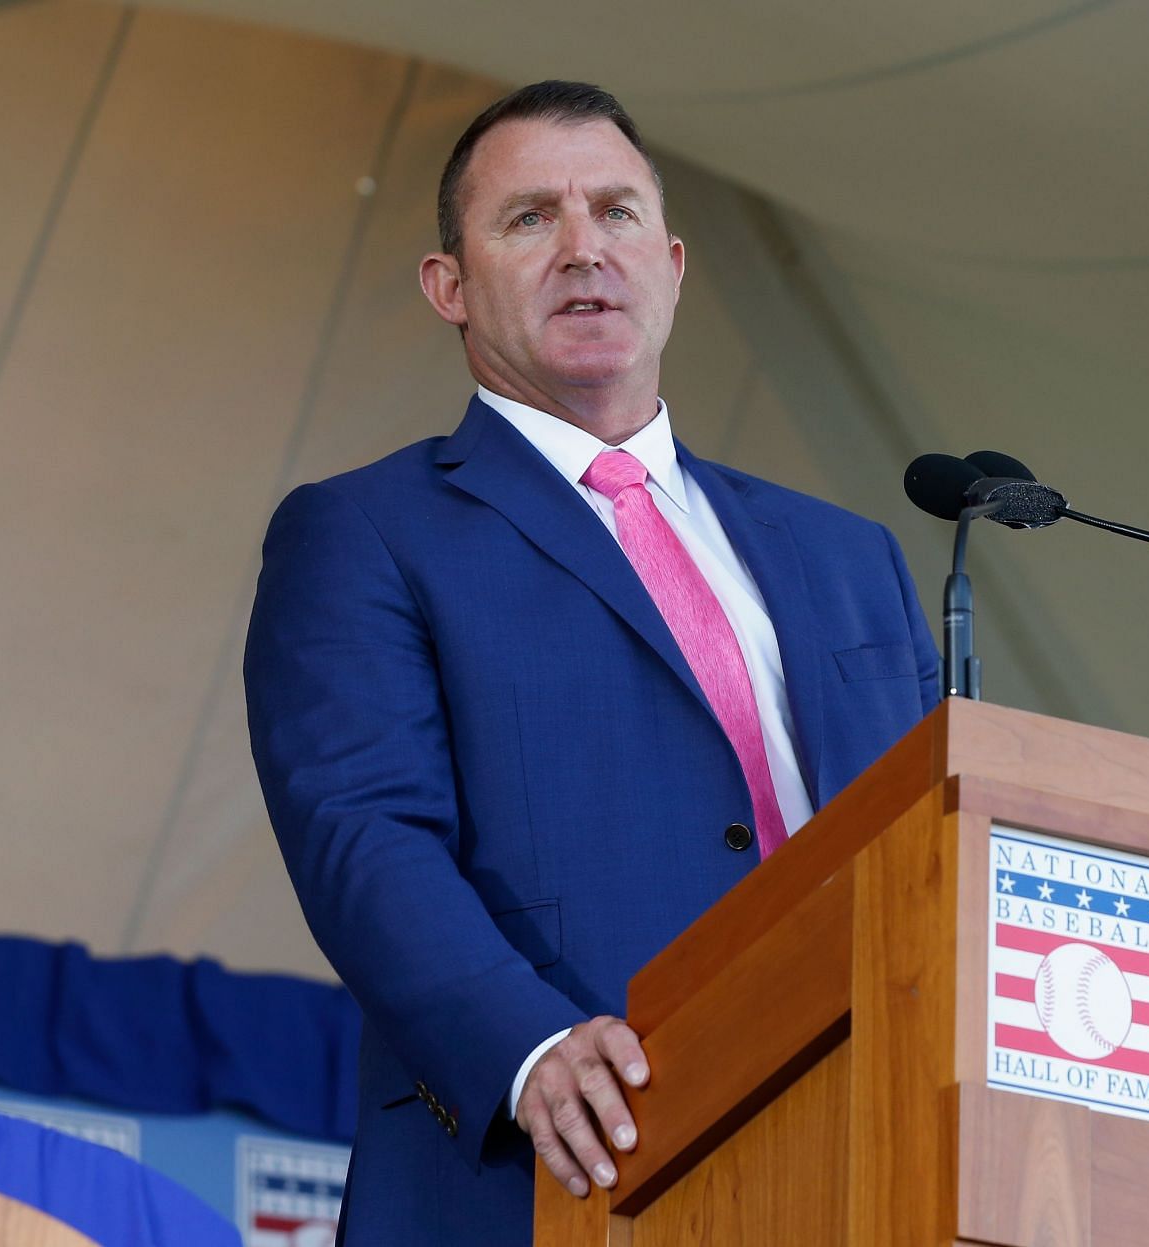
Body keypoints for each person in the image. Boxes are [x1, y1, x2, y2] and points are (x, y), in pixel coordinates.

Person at [243, 81, 940, 1244]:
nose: (583, 249)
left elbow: (934, 842)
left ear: (670, 264)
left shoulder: (848, 554)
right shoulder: (365, 531)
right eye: (529, 219)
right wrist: (525, 1045)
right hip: (553, 1167)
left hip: (864, 1152)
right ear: (448, 286)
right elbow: (363, 834)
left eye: (615, 213)